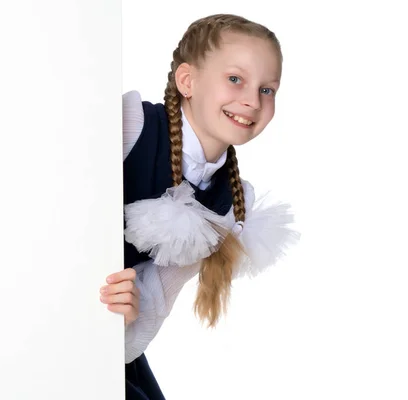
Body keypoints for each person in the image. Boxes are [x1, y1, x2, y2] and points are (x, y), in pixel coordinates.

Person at [99, 13, 300, 399]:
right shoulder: (131, 123)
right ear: (187, 81)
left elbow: (154, 305)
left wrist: (125, 318)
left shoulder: (229, 203)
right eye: (235, 79)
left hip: (108, 337)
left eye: (267, 89)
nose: (251, 100)